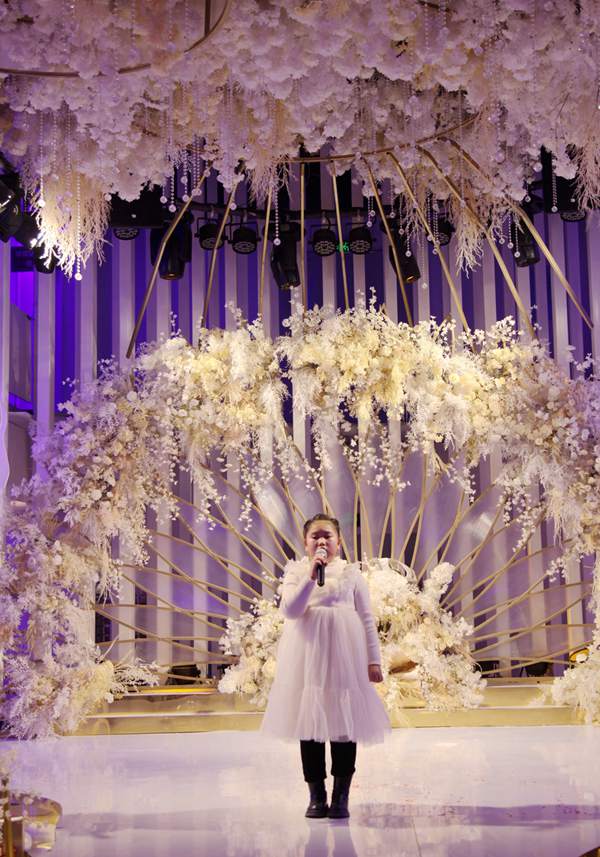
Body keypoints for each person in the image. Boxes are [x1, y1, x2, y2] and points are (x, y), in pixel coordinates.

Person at [260, 513, 391, 819]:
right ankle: (316, 795)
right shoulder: (296, 573)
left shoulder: (351, 574)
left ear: (338, 542)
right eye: (315, 536)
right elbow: (291, 610)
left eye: (327, 536)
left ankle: (341, 795)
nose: (321, 541)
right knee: (310, 723)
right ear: (306, 543)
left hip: (344, 655)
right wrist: (310, 576)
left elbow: (367, 618)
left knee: (344, 723)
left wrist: (374, 659)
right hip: (307, 657)